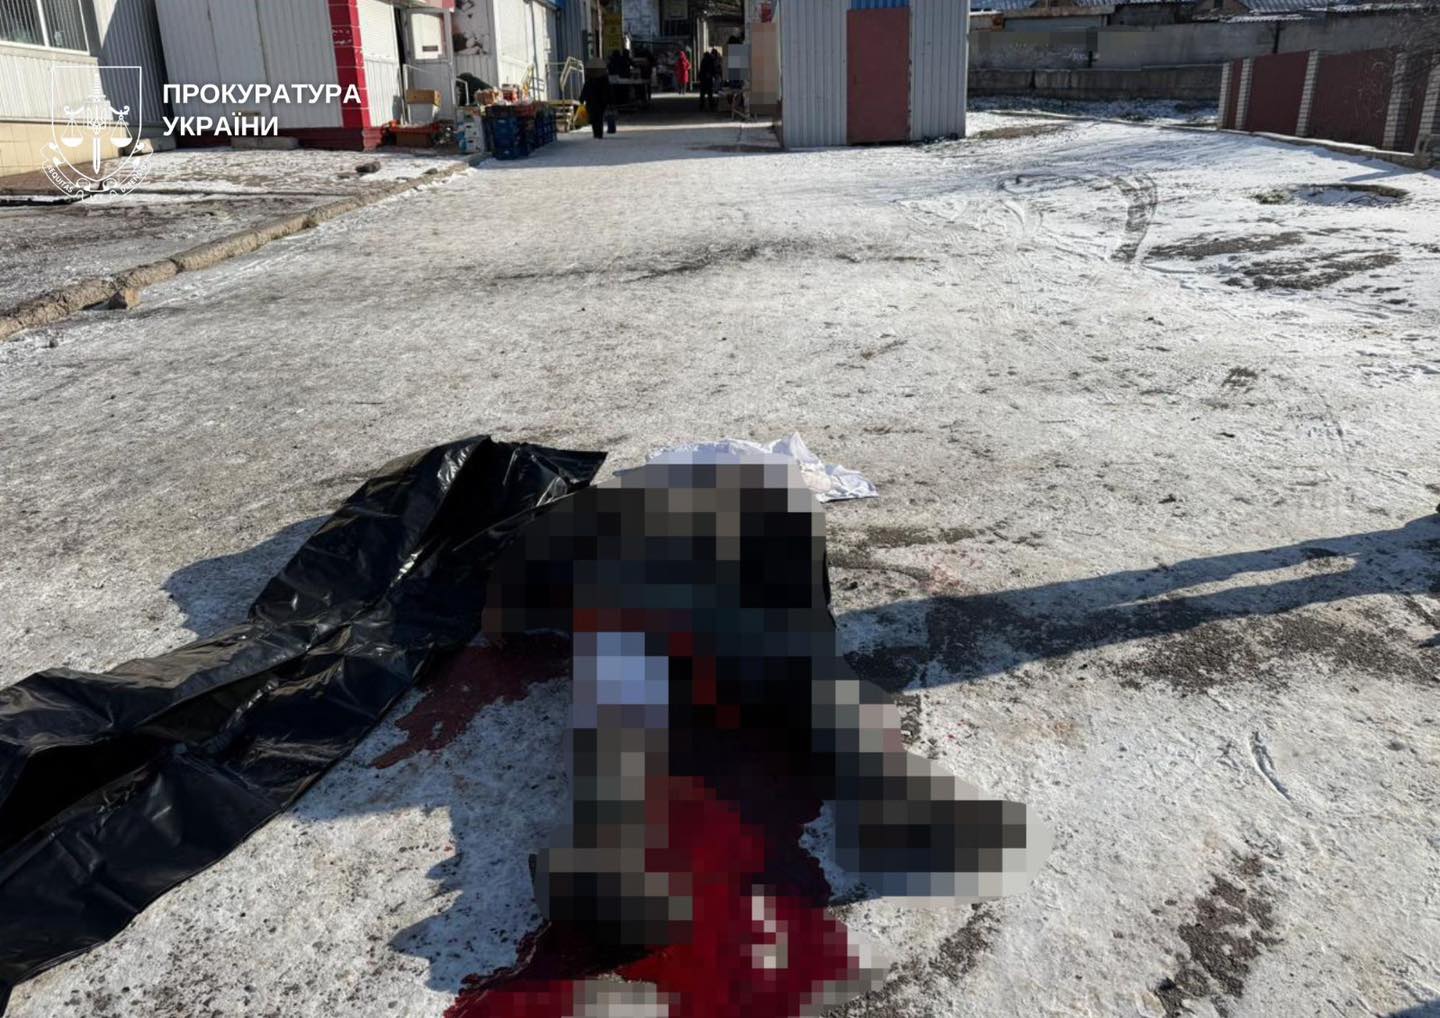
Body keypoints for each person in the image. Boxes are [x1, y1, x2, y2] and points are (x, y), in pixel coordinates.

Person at [579, 61, 612, 140]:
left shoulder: (590, 78)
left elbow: (585, 88)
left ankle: (596, 133)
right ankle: (599, 133)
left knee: (593, 117)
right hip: (601, 101)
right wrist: (609, 100)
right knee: (599, 117)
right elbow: (608, 90)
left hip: (591, 100)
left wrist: (582, 98)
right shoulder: (604, 78)